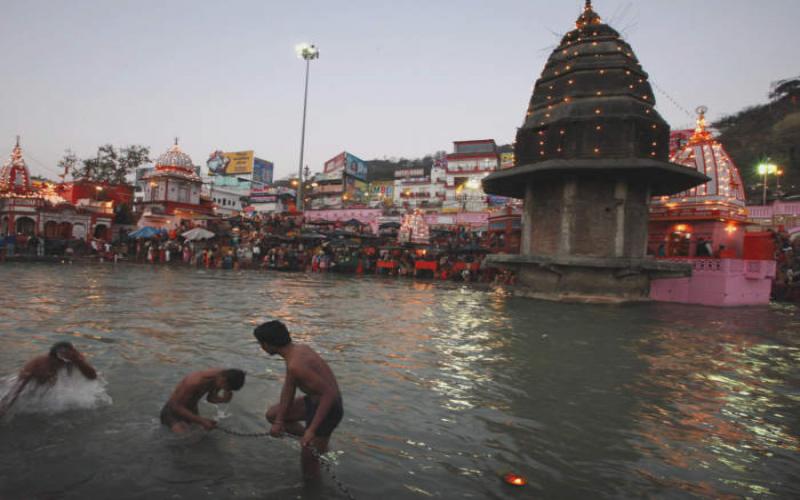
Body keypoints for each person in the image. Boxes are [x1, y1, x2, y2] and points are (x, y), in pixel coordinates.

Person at [254, 320, 343, 479]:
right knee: (272, 415)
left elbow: (329, 394)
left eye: (261, 343)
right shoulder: (297, 351)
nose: (261, 347)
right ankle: (315, 444)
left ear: (268, 344)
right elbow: (289, 387)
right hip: (314, 401)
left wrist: (311, 430)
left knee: (308, 469)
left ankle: (314, 446)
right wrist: (279, 421)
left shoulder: (297, 364)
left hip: (328, 409)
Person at [0, 342, 97, 417]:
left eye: (67, 360)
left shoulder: (74, 358)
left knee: (49, 384)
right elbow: (18, 387)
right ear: (52, 358)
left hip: (48, 378)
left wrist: (79, 362)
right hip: (31, 379)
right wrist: (5, 406)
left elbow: (92, 376)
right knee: (21, 387)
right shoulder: (37, 364)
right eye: (60, 361)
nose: (62, 364)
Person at [160, 368, 246, 433]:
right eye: (226, 388)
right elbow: (175, 406)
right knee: (185, 441)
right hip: (172, 412)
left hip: (191, 411)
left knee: (202, 440)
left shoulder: (220, 377)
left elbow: (210, 398)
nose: (225, 390)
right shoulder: (194, 381)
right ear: (223, 380)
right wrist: (202, 421)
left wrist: (224, 399)